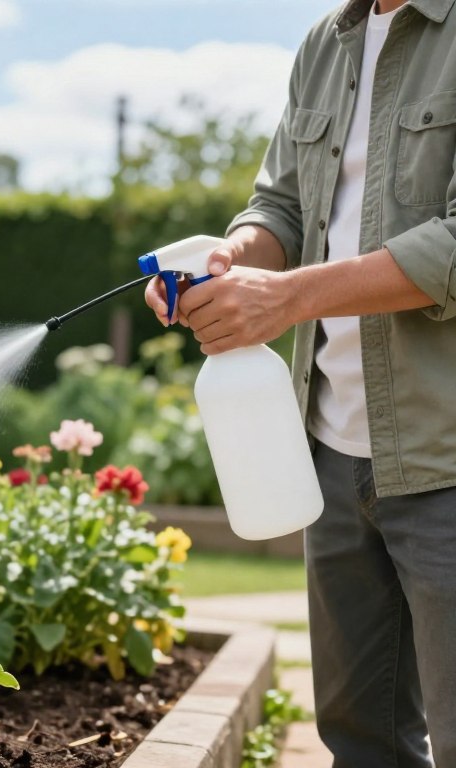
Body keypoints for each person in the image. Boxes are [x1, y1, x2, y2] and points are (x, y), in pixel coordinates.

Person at [144, 1, 456, 765]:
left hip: (445, 455)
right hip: (332, 451)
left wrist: (287, 298)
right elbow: (280, 207)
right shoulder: (327, 41)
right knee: (359, 738)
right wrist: (229, 263)